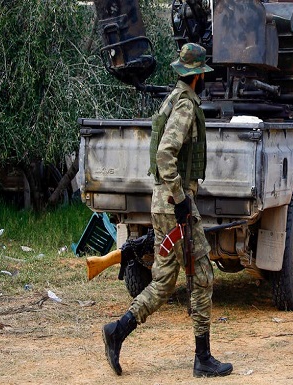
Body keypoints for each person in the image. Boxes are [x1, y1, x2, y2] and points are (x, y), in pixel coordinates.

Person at [102, 43, 233, 378]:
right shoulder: (186, 106)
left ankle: (118, 330)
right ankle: (202, 359)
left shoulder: (172, 98)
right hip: (174, 205)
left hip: (162, 202)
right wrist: (181, 200)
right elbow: (165, 155)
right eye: (203, 73)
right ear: (198, 75)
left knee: (163, 281)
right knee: (202, 277)